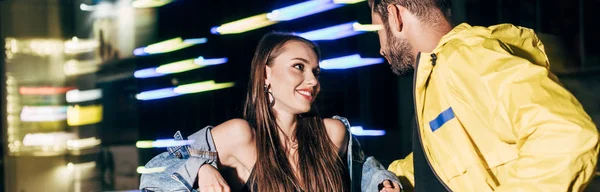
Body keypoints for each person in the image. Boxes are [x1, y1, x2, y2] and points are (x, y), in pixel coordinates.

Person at [367, 0, 599, 191]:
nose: (381, 48)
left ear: (395, 15)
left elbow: (567, 135)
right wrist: (389, 177)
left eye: (378, 30)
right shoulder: (436, 75)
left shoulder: (464, 57)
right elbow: (448, 159)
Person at [139, 32, 402, 192]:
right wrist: (201, 170)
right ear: (266, 74)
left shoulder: (332, 133)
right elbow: (155, 172)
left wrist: (382, 183)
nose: (312, 81)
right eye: (299, 66)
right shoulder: (241, 136)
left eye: (316, 71)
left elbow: (367, 171)